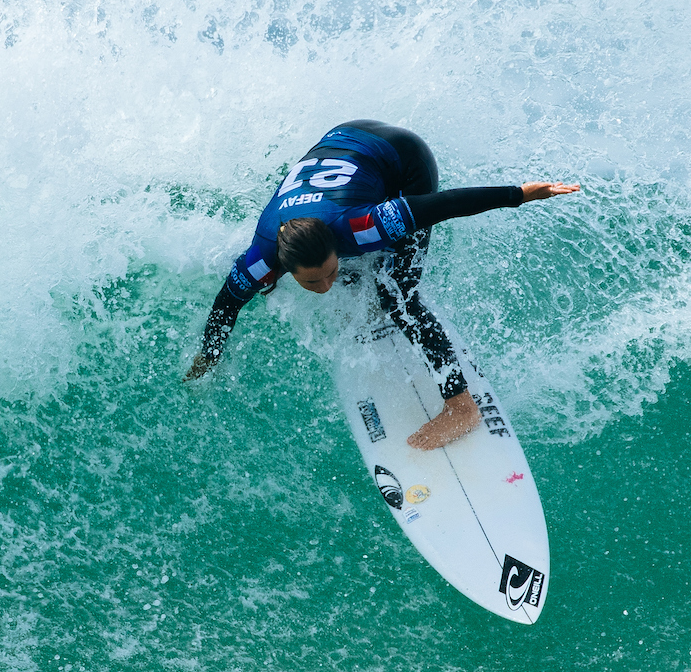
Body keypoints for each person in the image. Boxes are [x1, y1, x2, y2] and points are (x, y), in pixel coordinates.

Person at [184, 120, 581, 450]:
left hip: (403, 158)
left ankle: (462, 406)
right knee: (363, 278)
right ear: (283, 267)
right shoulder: (260, 258)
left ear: (336, 246)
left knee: (399, 296)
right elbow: (226, 306)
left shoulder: (363, 226)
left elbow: (445, 204)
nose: (324, 286)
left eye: (329, 272)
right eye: (312, 281)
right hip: (345, 144)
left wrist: (520, 194)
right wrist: (209, 355)